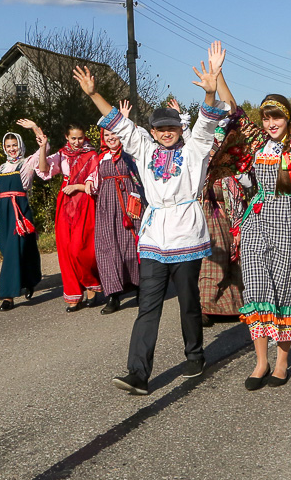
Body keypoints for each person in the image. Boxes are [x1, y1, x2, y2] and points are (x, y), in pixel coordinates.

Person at [75, 50, 230, 396]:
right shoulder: (144, 148)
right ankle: (138, 373)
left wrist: (210, 92)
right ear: (153, 131)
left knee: (188, 300)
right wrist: (94, 94)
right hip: (154, 235)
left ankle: (195, 354)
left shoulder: (193, 150)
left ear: (179, 128)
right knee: (148, 305)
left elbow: (206, 125)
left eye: (171, 127)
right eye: (160, 128)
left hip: (186, 232)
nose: (166, 133)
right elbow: (119, 124)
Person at [210, 54, 291, 390]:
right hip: (259, 220)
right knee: (258, 286)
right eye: (266, 117)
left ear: (288, 118)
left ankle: (282, 361)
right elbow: (234, 110)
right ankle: (260, 362)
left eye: (277, 116)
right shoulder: (258, 143)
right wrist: (218, 75)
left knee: (287, 288)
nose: (271, 122)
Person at [37, 124, 102, 312]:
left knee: (81, 248)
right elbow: (44, 170)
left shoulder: (91, 155)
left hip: (85, 201)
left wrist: (77, 187)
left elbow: (94, 183)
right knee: (65, 249)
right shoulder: (62, 155)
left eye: (80, 138)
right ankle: (74, 294)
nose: (77, 142)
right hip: (65, 203)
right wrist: (43, 147)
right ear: (67, 137)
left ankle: (91, 285)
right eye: (73, 138)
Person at [0, 121, 47, 311]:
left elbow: (44, 146)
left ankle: (7, 295)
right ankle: (29, 280)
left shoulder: (27, 162)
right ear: (4, 148)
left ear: (20, 145)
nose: (12, 149)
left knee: (14, 250)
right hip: (4, 212)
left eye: (15, 145)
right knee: (14, 249)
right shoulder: (1, 168)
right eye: (8, 146)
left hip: (20, 211)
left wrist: (34, 127)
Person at [198, 110, 250, 325]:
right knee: (212, 259)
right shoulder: (202, 169)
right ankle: (206, 305)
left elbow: (246, 185)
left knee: (233, 257)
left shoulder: (232, 170)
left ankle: (234, 305)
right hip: (207, 216)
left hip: (230, 215)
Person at [88, 124, 144, 315]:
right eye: (107, 134)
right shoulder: (100, 157)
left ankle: (140, 288)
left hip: (130, 203)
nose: (111, 137)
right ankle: (113, 295)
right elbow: (92, 178)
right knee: (107, 248)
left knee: (133, 245)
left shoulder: (130, 152)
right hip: (106, 207)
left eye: (114, 133)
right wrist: (89, 182)